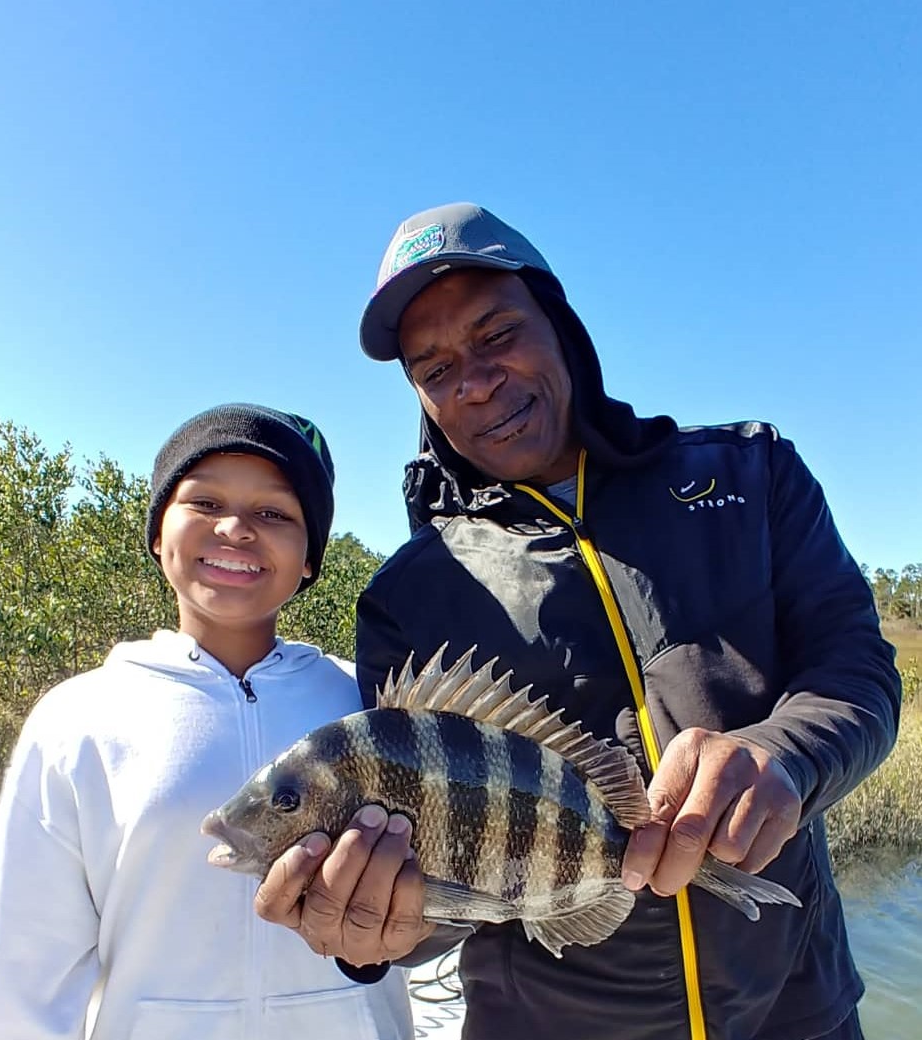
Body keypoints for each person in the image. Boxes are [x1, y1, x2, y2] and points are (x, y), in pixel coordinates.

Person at [253, 204, 902, 1040]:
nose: (476, 381)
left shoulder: (750, 473)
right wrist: (384, 929)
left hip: (798, 1010)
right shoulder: (410, 593)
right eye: (435, 367)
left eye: (496, 336)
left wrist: (781, 757)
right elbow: (445, 892)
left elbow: (858, 674)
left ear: (560, 326)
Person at [0, 403, 414, 1040]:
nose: (235, 528)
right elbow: (21, 966)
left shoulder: (371, 708)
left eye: (275, 513)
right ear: (156, 532)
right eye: (204, 503)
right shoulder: (79, 719)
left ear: (310, 556)